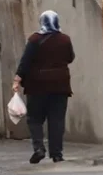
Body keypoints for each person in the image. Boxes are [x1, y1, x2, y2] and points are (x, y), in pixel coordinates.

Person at [12, 10, 75, 164]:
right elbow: (70, 58)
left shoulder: (34, 39)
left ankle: (39, 149)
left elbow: (25, 61)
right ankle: (57, 154)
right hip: (60, 86)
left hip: (37, 86)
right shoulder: (65, 40)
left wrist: (17, 79)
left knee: (34, 119)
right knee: (57, 120)